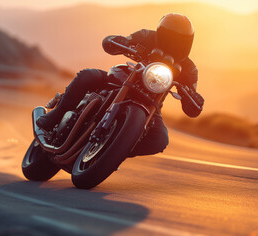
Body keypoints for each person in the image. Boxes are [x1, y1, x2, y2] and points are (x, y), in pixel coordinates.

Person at [37, 13, 204, 156]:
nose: (174, 44)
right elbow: (125, 41)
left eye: (180, 41)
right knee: (87, 76)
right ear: (161, 33)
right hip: (121, 80)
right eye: (170, 37)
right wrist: (120, 41)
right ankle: (55, 116)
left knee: (159, 139)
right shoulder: (147, 36)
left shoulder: (189, 69)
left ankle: (115, 150)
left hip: (152, 102)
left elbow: (191, 99)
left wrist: (192, 98)